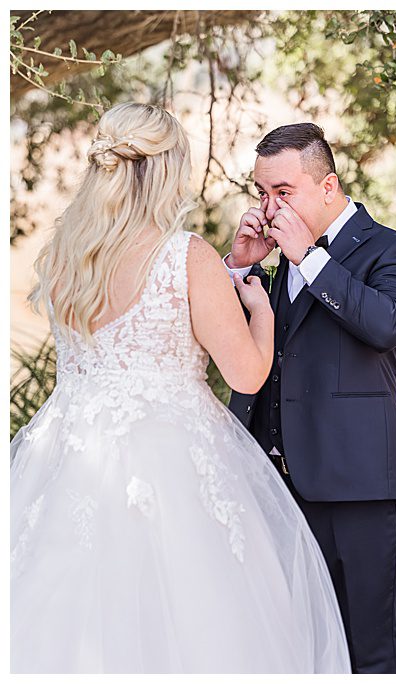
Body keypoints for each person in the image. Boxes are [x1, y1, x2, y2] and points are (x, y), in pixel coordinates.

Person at [10, 102, 349, 673]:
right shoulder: (183, 256)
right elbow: (246, 373)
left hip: (69, 454)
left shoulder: (66, 258)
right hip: (172, 468)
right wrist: (259, 312)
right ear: (166, 171)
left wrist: (229, 270)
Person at [223, 123, 396, 673]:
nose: (268, 208)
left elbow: (385, 324)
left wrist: (309, 259)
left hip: (354, 485)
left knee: (369, 648)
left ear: (328, 186)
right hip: (272, 483)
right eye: (262, 193)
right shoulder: (266, 263)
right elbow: (221, 343)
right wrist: (241, 264)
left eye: (282, 193)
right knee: (291, 644)